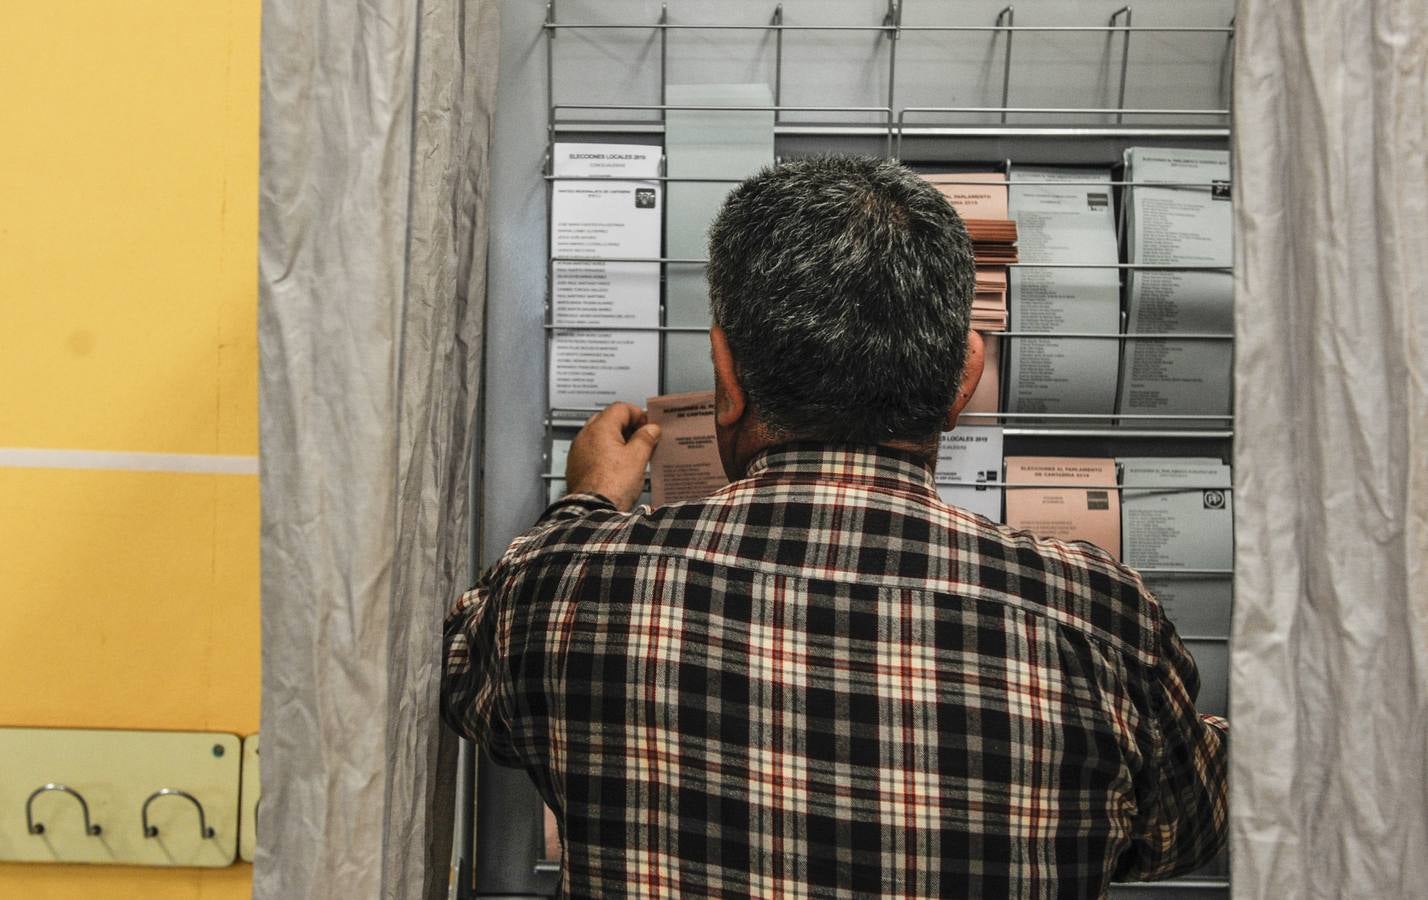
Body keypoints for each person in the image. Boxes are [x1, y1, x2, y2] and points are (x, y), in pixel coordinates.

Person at [442, 156, 1227, 897]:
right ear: (964, 380)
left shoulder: (571, 589)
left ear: (727, 378)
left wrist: (588, 504)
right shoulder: (1098, 621)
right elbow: (1181, 832)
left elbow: (469, 682)